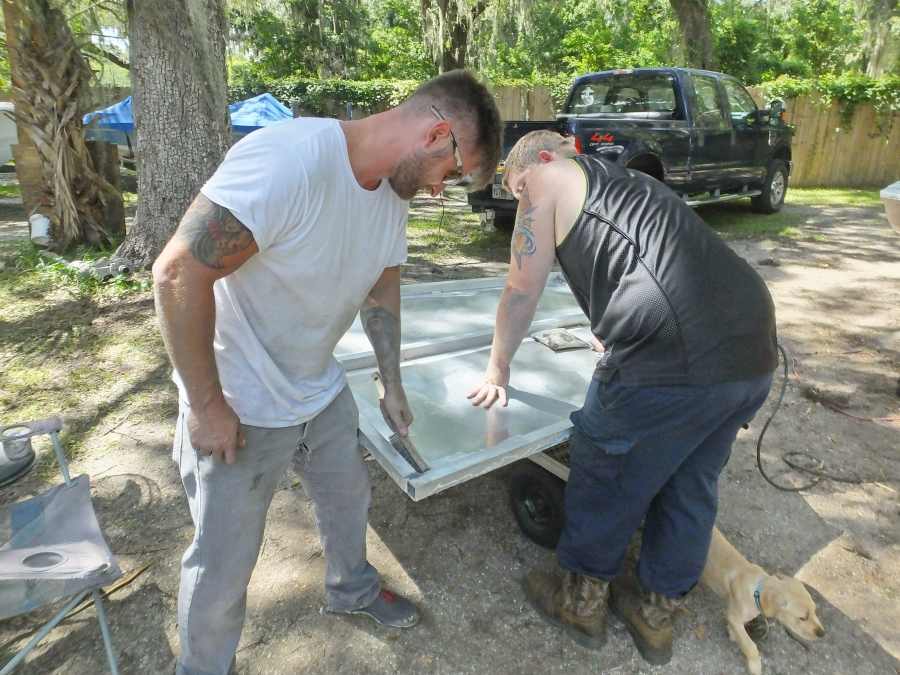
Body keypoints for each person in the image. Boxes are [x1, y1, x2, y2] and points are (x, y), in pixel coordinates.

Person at [153, 70, 502, 675]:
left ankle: (352, 589)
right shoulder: (289, 159)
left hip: (319, 387)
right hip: (241, 401)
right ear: (437, 133)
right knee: (223, 563)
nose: (442, 191)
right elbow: (179, 273)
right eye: (452, 172)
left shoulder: (392, 195)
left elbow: (382, 282)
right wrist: (207, 406)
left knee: (348, 498)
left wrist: (390, 380)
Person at [468, 130, 777, 665]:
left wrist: (498, 366)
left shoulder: (542, 182)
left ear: (541, 159)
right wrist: (612, 324)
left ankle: (581, 602)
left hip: (670, 356)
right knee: (690, 478)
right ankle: (655, 615)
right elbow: (654, 260)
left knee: (602, 466)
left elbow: (522, 289)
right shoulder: (629, 183)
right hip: (751, 348)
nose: (520, 200)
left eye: (516, 188)